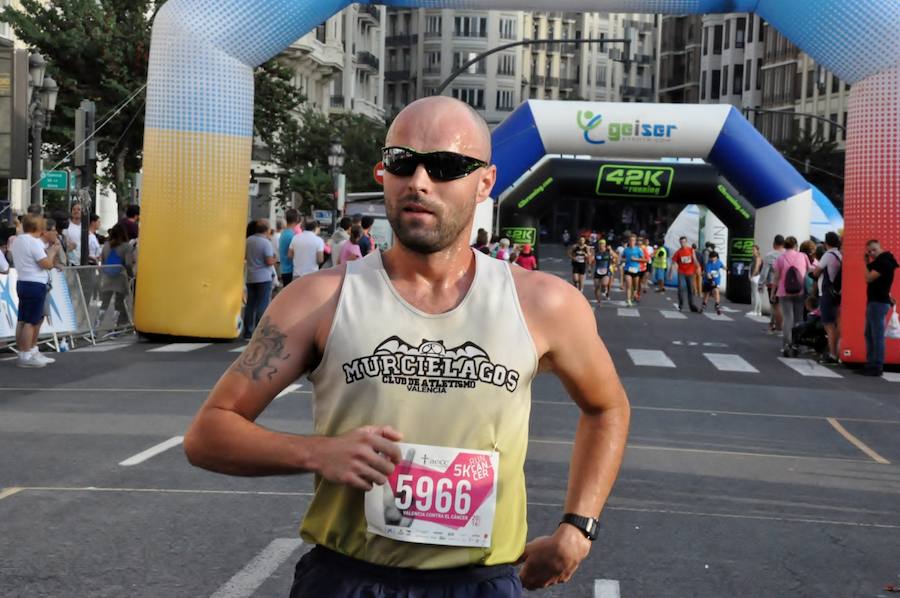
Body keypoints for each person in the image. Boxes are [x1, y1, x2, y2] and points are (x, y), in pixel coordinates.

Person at [183, 96, 631, 597]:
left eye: (445, 166)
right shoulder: (317, 299)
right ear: (383, 172)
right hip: (347, 580)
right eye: (402, 162)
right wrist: (316, 453)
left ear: (485, 183)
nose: (419, 181)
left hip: (478, 584)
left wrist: (578, 528)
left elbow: (607, 407)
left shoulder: (545, 303)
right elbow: (208, 434)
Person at [10, 214, 60, 368]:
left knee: (23, 319)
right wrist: (52, 252)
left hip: (22, 281)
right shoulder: (33, 242)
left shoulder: (18, 240)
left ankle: (24, 352)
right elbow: (46, 264)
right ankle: (26, 354)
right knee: (32, 321)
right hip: (35, 283)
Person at [858, 239, 898, 376]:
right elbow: (884, 282)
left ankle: (876, 366)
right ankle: (871, 364)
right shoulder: (884, 261)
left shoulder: (883, 262)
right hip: (877, 302)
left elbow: (869, 278)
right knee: (870, 334)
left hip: (878, 303)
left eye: (874, 249)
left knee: (876, 336)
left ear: (880, 247)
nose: (871, 253)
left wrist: (865, 263)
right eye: (869, 251)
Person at [772, 236, 810, 357]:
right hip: (800, 291)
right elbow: (809, 271)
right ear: (796, 246)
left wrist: (773, 292)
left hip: (784, 291)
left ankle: (786, 345)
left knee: (788, 318)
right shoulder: (803, 256)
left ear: (784, 246)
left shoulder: (780, 258)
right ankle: (797, 344)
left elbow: (776, 277)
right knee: (799, 318)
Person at [812, 232, 842, 364]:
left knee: (828, 325)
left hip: (828, 293)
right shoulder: (840, 254)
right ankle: (837, 352)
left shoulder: (828, 255)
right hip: (838, 293)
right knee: (836, 324)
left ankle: (832, 354)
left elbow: (816, 272)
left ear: (826, 243)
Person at [243, 219, 276, 339]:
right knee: (262, 304)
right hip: (264, 277)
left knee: (250, 304)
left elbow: (245, 256)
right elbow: (269, 261)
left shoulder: (248, 240)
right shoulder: (266, 243)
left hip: (251, 277)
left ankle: (248, 331)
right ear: (267, 230)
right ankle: (259, 330)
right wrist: (274, 259)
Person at [98, 223, 135, 328]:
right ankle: (115, 326)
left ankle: (96, 325)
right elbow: (128, 264)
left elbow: (103, 261)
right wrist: (131, 276)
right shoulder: (126, 246)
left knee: (104, 304)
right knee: (119, 303)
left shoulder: (106, 245)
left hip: (107, 278)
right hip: (120, 278)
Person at [760, 235, 785, 334]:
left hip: (773, 284)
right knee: (782, 306)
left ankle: (778, 328)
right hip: (786, 284)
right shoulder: (787, 254)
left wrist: (760, 284)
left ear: (774, 244)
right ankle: (773, 324)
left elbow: (764, 271)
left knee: (775, 306)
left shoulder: (770, 255)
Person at [671, 237, 699, 312]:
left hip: (690, 272)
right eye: (681, 242)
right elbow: (673, 262)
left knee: (690, 289)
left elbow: (695, 259)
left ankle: (692, 305)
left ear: (686, 242)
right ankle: (681, 305)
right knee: (680, 288)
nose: (682, 244)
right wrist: (671, 272)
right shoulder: (678, 252)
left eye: (684, 242)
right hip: (681, 272)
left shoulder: (691, 250)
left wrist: (698, 267)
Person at [621, 235, 645, 307]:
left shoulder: (638, 250)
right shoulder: (626, 250)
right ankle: (628, 300)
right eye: (630, 240)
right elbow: (622, 258)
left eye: (633, 240)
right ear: (629, 241)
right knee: (628, 286)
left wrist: (636, 259)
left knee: (635, 287)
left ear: (635, 241)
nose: (632, 242)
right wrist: (623, 260)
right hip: (627, 269)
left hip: (636, 270)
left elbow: (644, 259)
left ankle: (634, 294)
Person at [279, 209, 300, 287]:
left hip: (284, 269)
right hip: (290, 270)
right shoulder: (292, 235)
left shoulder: (284, 233)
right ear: (297, 219)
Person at [700, 250, 725, 315]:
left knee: (716, 291)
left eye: (713, 257)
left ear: (716, 257)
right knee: (706, 294)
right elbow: (708, 274)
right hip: (708, 281)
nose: (712, 259)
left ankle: (717, 305)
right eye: (711, 257)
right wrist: (711, 281)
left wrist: (727, 270)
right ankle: (703, 306)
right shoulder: (708, 264)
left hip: (716, 280)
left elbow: (723, 266)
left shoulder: (719, 262)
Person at [592, 239, 616, 303]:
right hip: (597, 272)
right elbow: (591, 261)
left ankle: (604, 290)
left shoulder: (608, 252)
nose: (601, 246)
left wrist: (611, 250)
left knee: (604, 284)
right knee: (597, 286)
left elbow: (615, 256)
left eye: (602, 244)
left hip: (606, 271)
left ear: (605, 245)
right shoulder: (596, 253)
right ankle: (598, 300)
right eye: (600, 244)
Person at [749, 245, 763, 317]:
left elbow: (756, 268)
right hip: (756, 277)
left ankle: (755, 311)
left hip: (756, 277)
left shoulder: (757, 258)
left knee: (755, 294)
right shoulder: (755, 257)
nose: (752, 251)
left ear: (757, 250)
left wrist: (752, 276)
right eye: (752, 249)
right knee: (757, 294)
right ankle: (758, 311)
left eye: (754, 250)